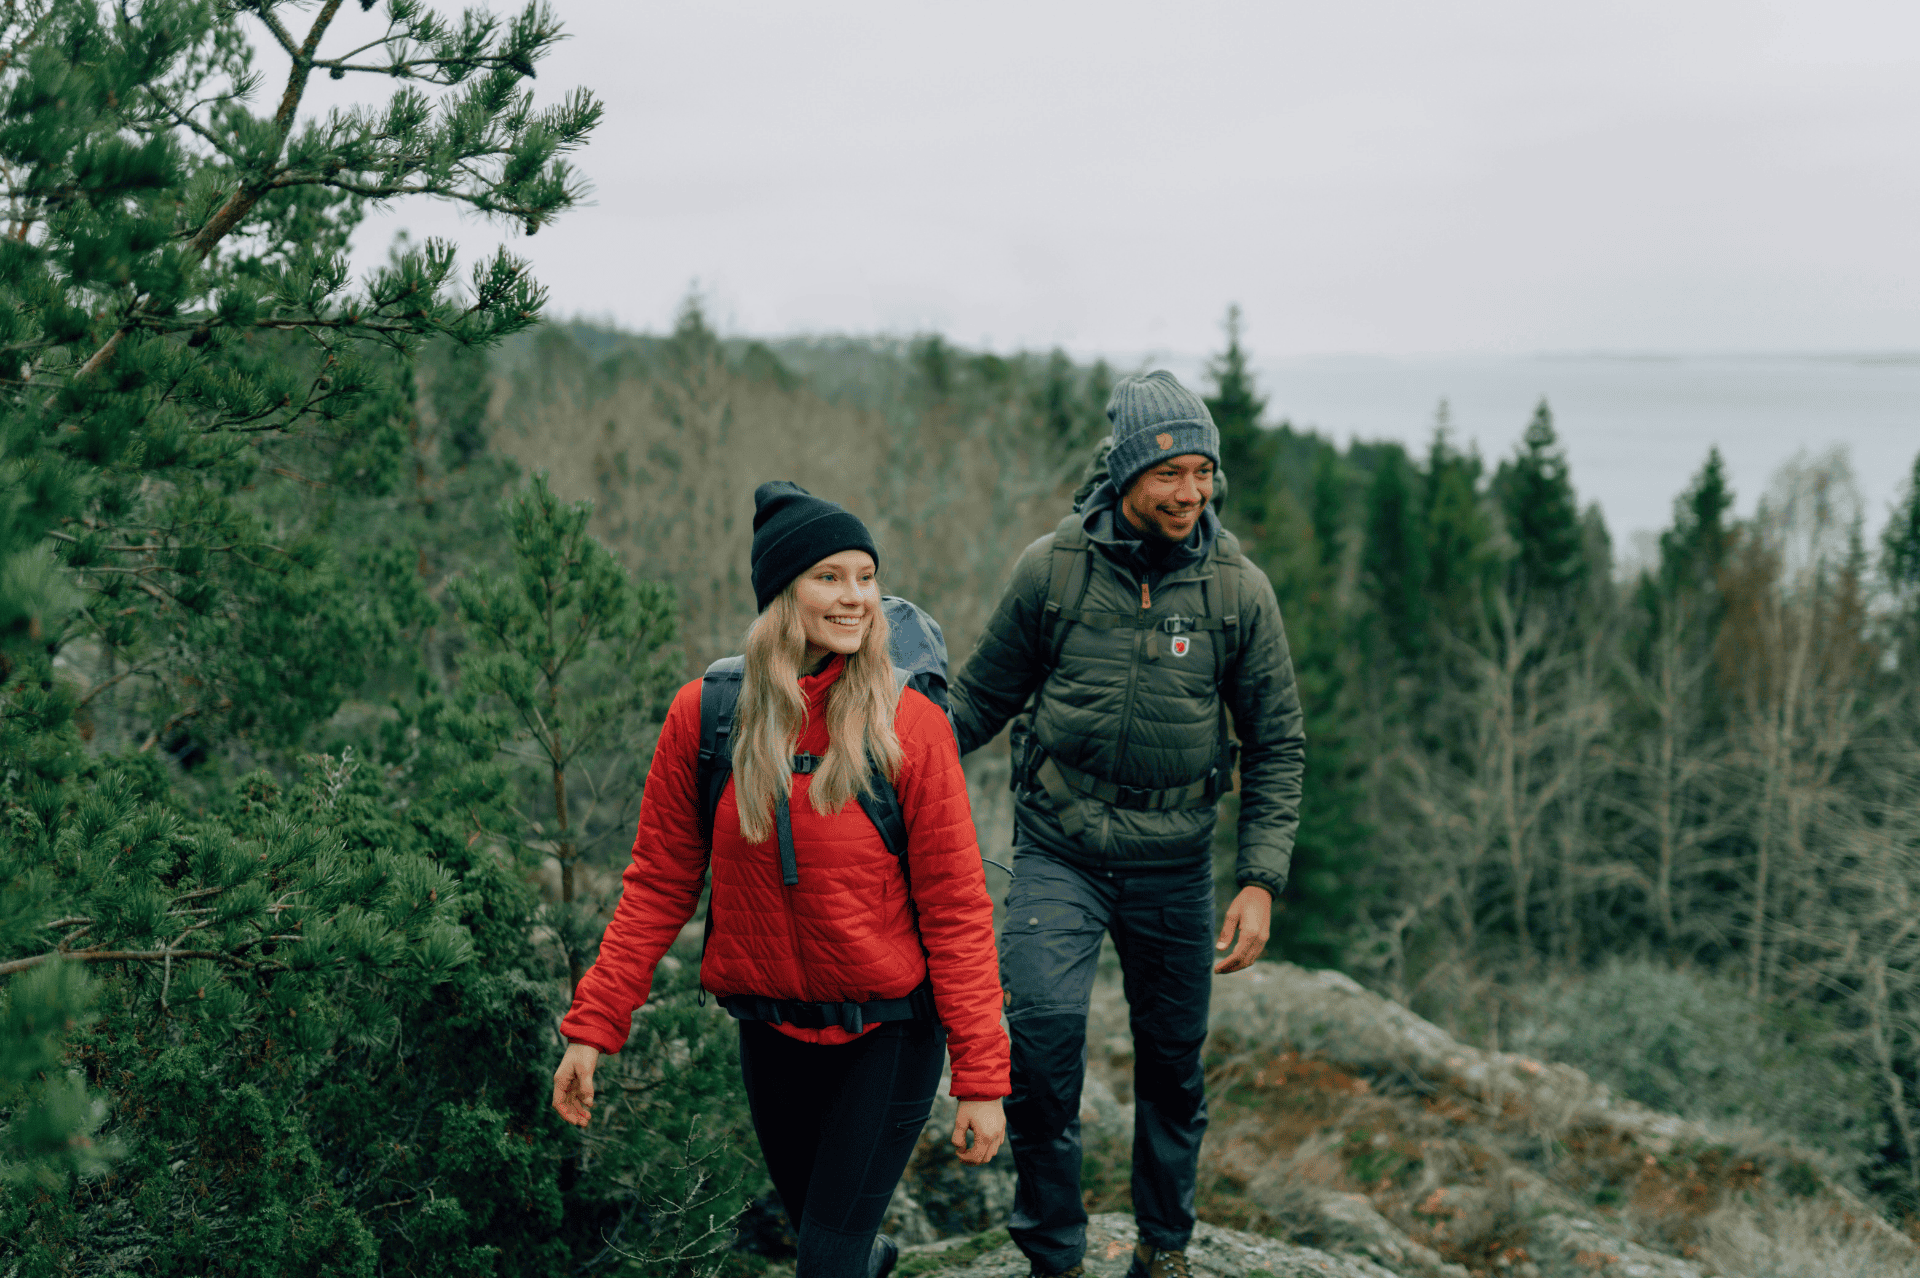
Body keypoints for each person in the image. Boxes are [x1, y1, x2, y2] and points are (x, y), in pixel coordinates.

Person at [552, 482, 1010, 1278]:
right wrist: (594, 1027)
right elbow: (659, 884)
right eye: (830, 576)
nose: (856, 597)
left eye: (866, 576)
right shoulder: (706, 718)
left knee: (824, 1266)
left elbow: (957, 908)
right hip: (771, 1033)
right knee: (833, 1249)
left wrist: (981, 1078)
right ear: (780, 591)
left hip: (888, 1031)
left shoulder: (909, 726)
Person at [948, 372, 1305, 1278]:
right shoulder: (1054, 570)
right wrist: (873, 768)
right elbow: (976, 704)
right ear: (1125, 477)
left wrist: (1260, 880)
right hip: (1059, 847)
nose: (1191, 493)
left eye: (1204, 473)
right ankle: (1055, 1255)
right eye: (1170, 474)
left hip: (1176, 861)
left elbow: (1278, 744)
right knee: (1041, 1037)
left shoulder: (1238, 593)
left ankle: (1165, 1247)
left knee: (1173, 1066)